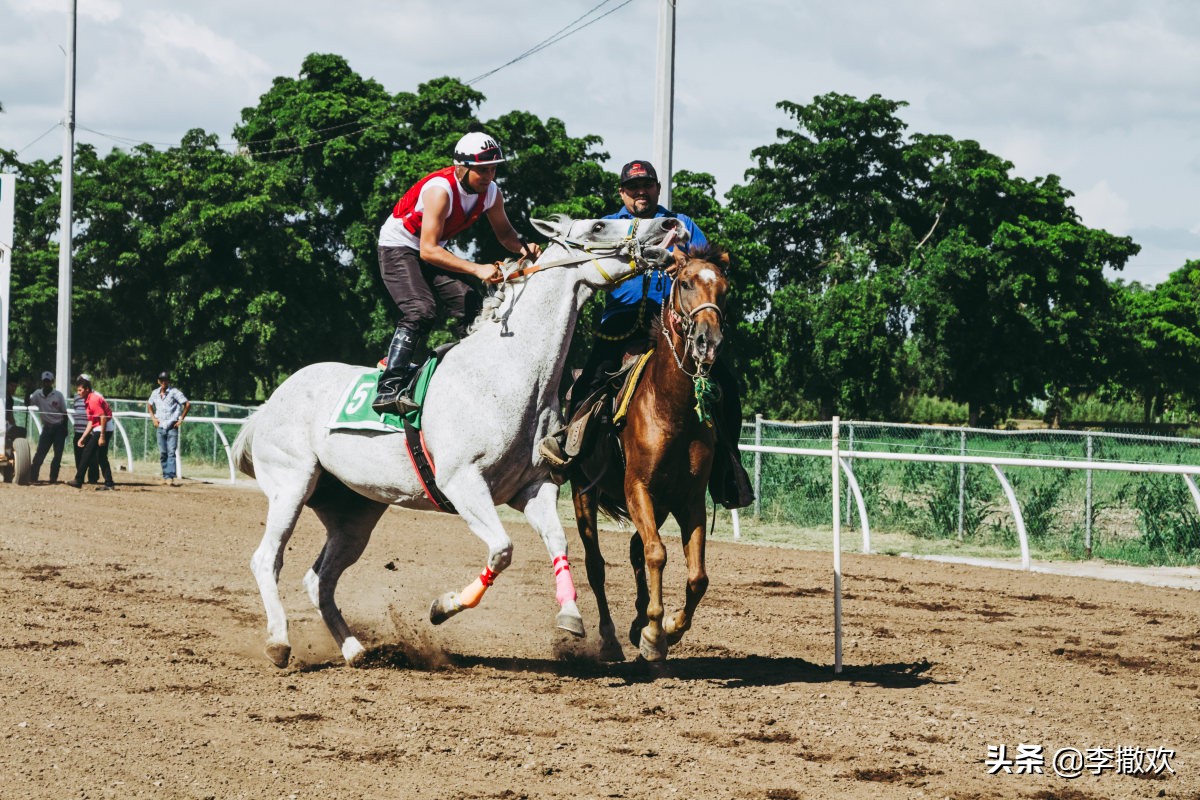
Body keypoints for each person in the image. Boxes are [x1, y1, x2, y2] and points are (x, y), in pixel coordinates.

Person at [541, 159, 753, 508]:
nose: (641, 192)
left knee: (726, 385)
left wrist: (679, 259)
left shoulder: (682, 224)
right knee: (587, 385)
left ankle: (728, 470)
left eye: (647, 185)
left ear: (656, 189)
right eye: (633, 187)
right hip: (618, 328)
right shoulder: (607, 226)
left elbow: (707, 265)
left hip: (671, 330)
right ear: (623, 193)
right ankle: (569, 452)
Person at [371, 126, 541, 415]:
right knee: (421, 310)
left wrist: (526, 250)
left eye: (493, 170)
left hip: (430, 249)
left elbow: (505, 234)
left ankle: (477, 375)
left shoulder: (491, 193)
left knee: (473, 306)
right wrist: (477, 269)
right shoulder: (440, 190)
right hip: (399, 248)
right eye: (482, 171)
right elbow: (427, 250)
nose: (489, 177)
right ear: (461, 168)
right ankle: (389, 385)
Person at [66, 374, 115, 491]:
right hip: (100, 428)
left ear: (87, 389)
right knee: (102, 457)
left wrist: (102, 436)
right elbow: (91, 421)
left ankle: (78, 480)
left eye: (80, 390)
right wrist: (83, 437)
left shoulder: (93, 399)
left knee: (87, 452)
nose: (78, 392)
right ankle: (109, 483)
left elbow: (103, 417)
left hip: (103, 428)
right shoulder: (87, 399)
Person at [147, 370, 190, 486]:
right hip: (160, 427)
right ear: (158, 381)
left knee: (171, 452)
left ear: (168, 381)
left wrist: (181, 418)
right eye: (161, 380)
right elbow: (149, 405)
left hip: (172, 426)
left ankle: (170, 476)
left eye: (165, 380)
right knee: (163, 452)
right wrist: (153, 418)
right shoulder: (155, 393)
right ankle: (165, 475)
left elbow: (187, 404)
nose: (164, 382)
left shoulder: (174, 392)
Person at [27, 370, 69, 483]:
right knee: (40, 453)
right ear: (42, 382)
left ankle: (53, 478)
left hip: (59, 428)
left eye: (48, 381)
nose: (46, 384)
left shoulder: (58, 395)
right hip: (47, 428)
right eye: (44, 381)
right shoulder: (37, 394)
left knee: (58, 454)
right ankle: (33, 476)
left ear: (52, 382)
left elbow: (65, 414)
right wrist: (28, 389)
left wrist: (65, 429)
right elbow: (27, 403)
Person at [70, 377, 100, 484]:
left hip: (90, 431)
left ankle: (93, 478)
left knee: (92, 456)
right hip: (78, 430)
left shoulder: (95, 396)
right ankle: (80, 477)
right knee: (78, 456)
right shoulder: (76, 396)